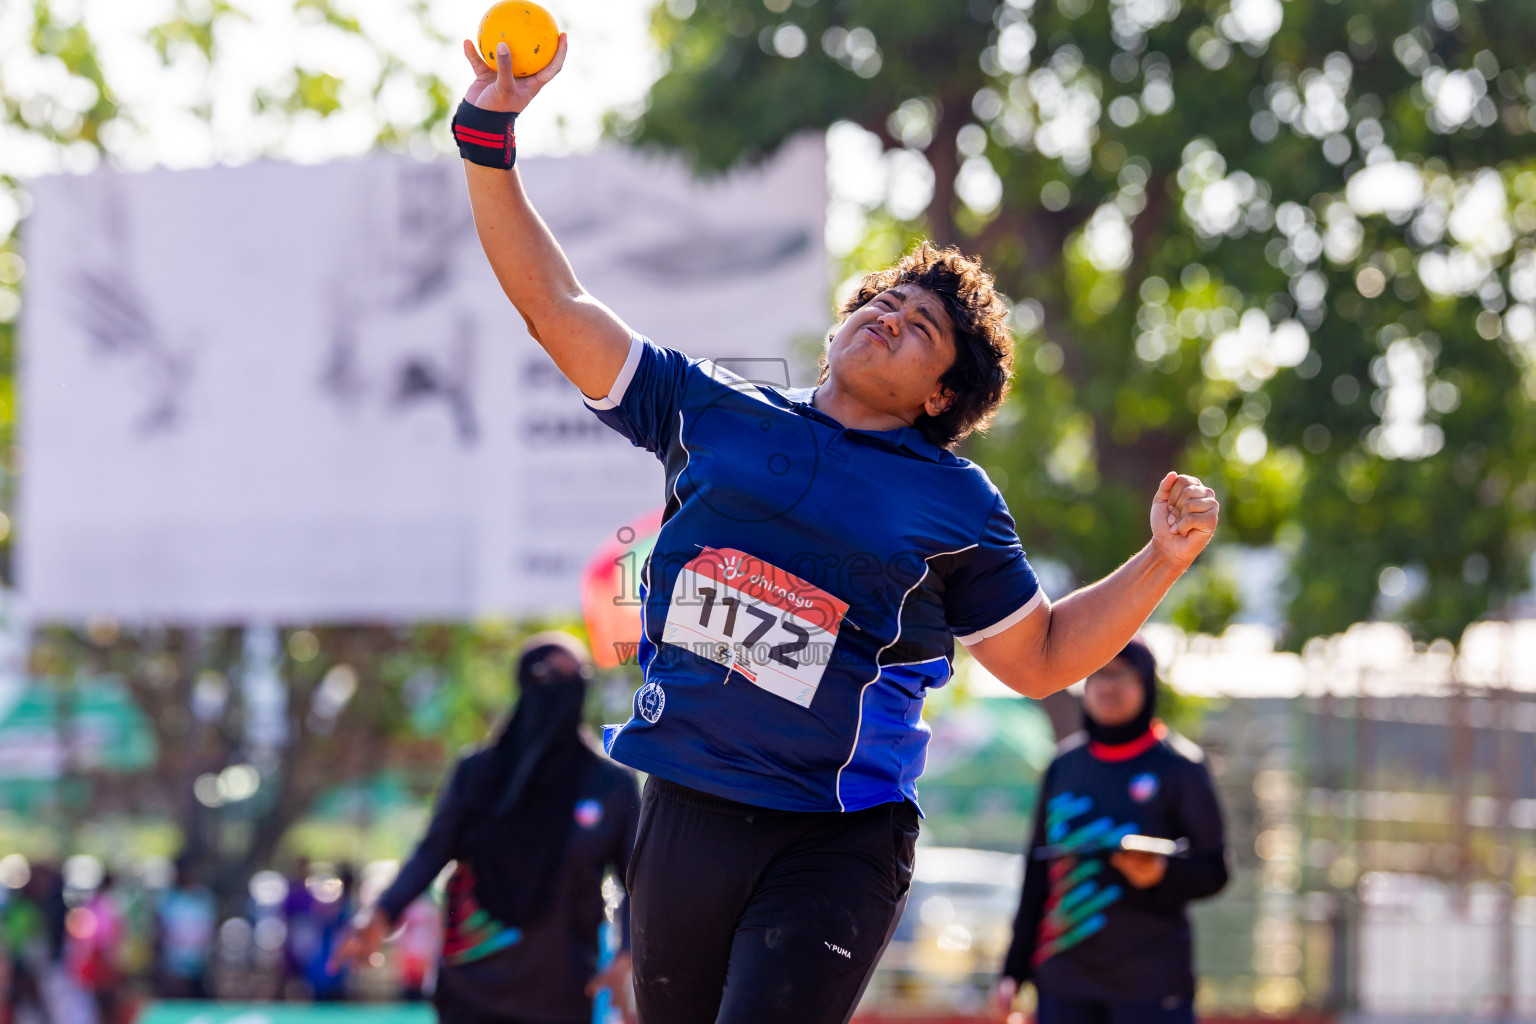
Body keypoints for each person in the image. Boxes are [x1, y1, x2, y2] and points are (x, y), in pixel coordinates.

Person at [447, 35, 1219, 1024]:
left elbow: (1043, 658)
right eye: (885, 301)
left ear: (943, 393)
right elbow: (554, 305)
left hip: (837, 834)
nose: (891, 316)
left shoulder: (954, 499)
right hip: (684, 804)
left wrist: (1160, 560)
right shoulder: (710, 410)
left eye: (921, 327)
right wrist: (488, 137)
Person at [335, 633, 640, 1024]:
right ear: (524, 682)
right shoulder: (478, 774)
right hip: (471, 982)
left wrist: (629, 957)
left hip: (560, 990)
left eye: (577, 677)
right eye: (550, 675)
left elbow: (636, 881)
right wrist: (380, 914)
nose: (564, 689)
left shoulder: (609, 785)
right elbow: (432, 851)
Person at [991, 639, 1230, 1024]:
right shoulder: (1063, 766)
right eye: (1097, 674)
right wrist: (1013, 970)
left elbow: (1215, 870)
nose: (1107, 686)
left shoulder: (1181, 767)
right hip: (1065, 983)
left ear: (1147, 684)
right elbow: (1037, 873)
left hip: (1151, 984)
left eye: (1121, 674)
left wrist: (1161, 875)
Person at [153, 857, 216, 999]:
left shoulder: (203, 898)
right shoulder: (168, 899)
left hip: (199, 966)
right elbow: (159, 932)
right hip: (173, 968)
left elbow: (208, 931)